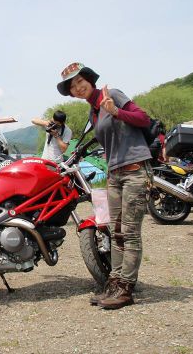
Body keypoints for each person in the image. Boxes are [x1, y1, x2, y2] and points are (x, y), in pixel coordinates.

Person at [57, 62, 153, 310]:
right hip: (115, 174)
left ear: (89, 80)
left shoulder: (113, 95)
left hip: (134, 170)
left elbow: (143, 119)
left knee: (130, 232)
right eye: (73, 86)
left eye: (80, 82)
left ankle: (126, 289)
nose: (78, 87)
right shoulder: (93, 112)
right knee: (116, 231)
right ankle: (115, 282)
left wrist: (117, 111)